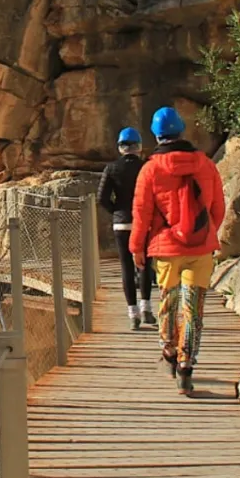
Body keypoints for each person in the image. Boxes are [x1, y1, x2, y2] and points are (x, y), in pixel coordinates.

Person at [128, 107, 226, 395]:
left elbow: (141, 212)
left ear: (157, 136)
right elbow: (218, 208)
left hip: (167, 247)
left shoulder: (151, 169)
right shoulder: (206, 164)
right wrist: (205, 233)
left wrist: (137, 247)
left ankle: (169, 353)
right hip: (201, 248)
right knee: (192, 308)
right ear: (182, 130)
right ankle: (187, 366)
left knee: (169, 302)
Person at [98, 127, 154, 330]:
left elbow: (101, 198)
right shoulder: (146, 167)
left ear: (120, 147)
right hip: (144, 222)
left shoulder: (111, 168)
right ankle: (147, 308)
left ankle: (133, 313)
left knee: (126, 266)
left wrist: (116, 211)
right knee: (145, 264)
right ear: (138, 147)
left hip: (121, 223)